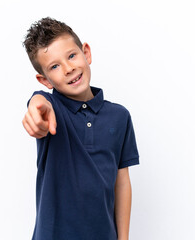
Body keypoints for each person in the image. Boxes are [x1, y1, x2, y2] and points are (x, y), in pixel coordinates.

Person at [22, 17, 139, 240]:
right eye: (54, 66)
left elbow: (122, 182)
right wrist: (37, 105)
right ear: (44, 80)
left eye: (72, 56)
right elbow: (39, 103)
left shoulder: (120, 116)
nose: (68, 68)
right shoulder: (51, 109)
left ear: (86, 53)